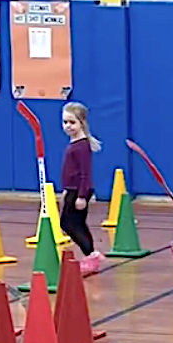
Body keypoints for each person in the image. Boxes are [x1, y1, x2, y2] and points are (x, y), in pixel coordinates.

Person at [59, 102, 104, 276]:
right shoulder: (75, 143)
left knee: (68, 223)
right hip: (72, 189)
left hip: (78, 191)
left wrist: (82, 196)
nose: (68, 126)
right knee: (77, 223)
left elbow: (85, 173)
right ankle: (91, 256)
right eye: (65, 122)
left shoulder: (82, 145)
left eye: (72, 122)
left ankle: (91, 255)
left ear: (81, 123)